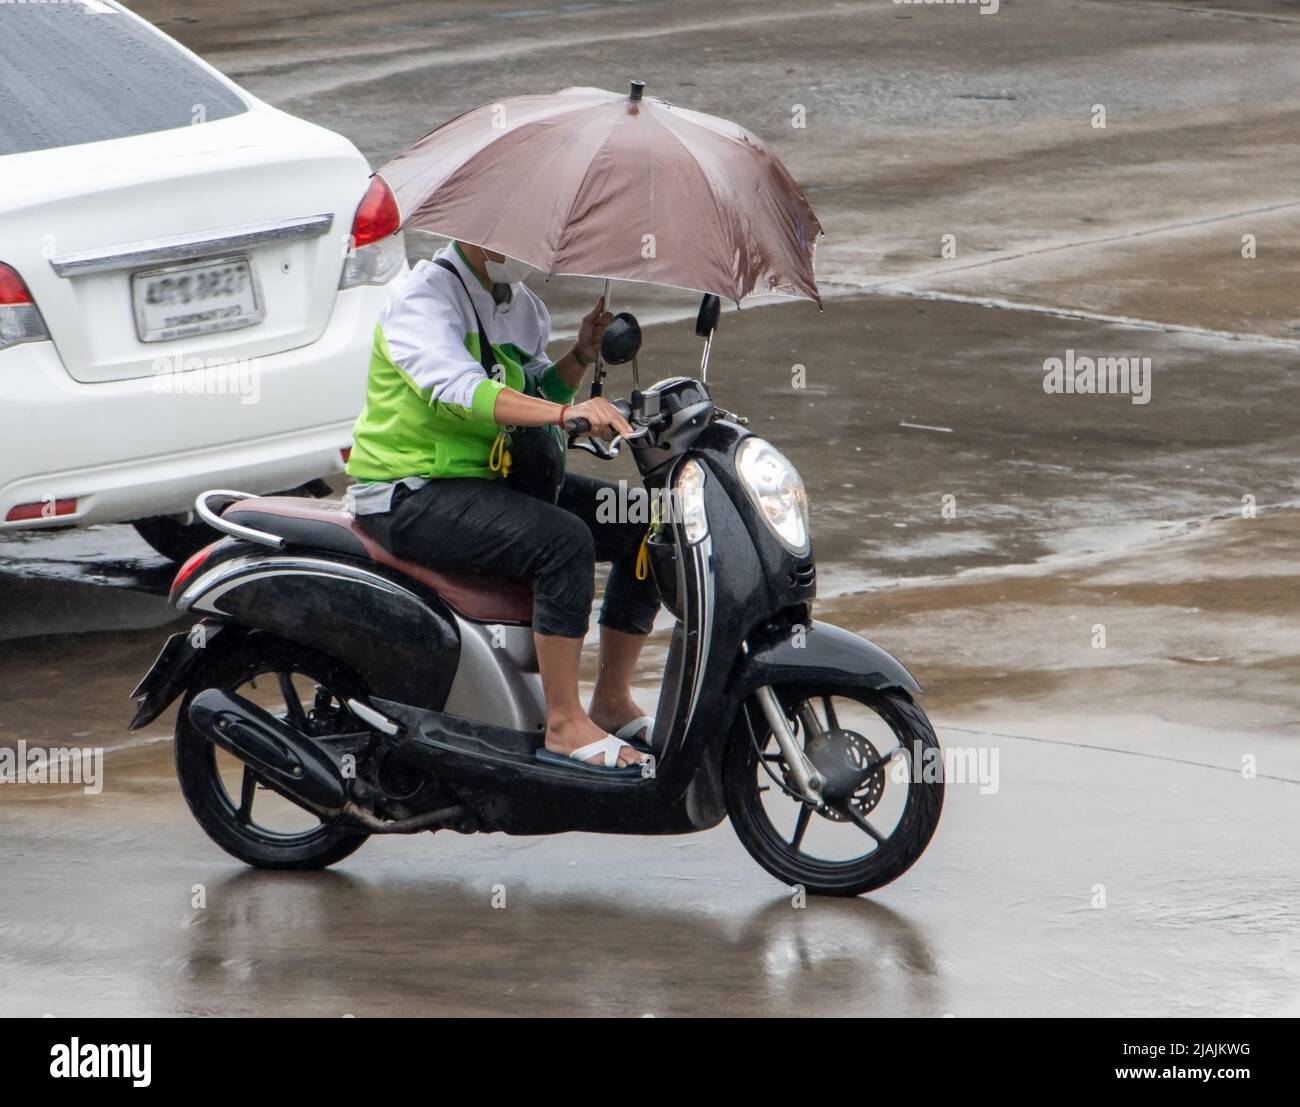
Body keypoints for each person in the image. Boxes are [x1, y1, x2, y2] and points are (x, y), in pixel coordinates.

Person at [345, 240, 658, 770]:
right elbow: (460, 390)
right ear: (476, 233)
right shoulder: (422, 299)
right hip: (412, 491)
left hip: (490, 481)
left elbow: (538, 391)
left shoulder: (519, 304)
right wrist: (565, 415)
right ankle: (563, 722)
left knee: (646, 519)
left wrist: (581, 355)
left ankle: (611, 699)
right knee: (564, 540)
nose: (530, 251)